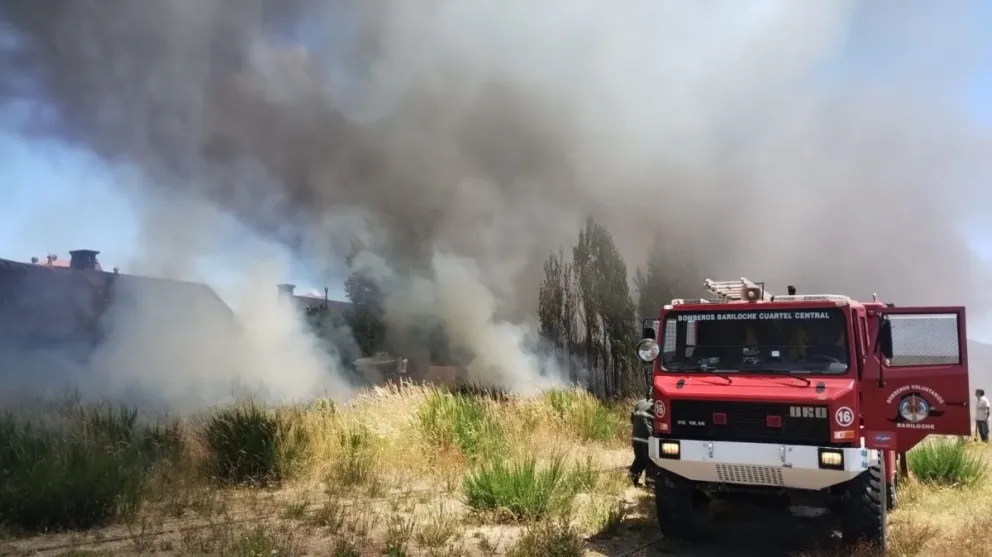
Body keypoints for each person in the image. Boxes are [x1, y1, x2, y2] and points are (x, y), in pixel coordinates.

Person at [629, 397, 656, 487]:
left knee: (639, 458)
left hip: (636, 436)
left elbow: (632, 419)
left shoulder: (639, 402)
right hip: (648, 437)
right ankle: (650, 482)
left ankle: (632, 478)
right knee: (651, 459)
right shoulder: (657, 405)